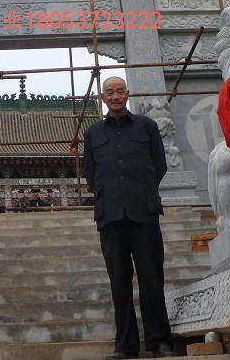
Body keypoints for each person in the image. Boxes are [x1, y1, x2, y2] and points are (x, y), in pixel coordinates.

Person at [82, 76, 176, 359]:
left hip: (143, 213)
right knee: (119, 282)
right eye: (109, 92)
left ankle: (160, 341)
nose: (115, 96)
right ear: (102, 98)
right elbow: (90, 175)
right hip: (110, 216)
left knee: (151, 278)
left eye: (119, 91)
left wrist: (141, 191)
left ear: (127, 94)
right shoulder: (93, 134)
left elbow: (159, 164)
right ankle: (125, 345)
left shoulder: (146, 126)